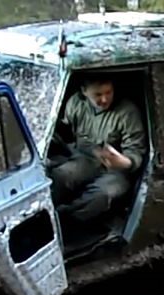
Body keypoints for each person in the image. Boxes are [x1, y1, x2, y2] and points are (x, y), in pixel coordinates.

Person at [47, 76, 148, 229]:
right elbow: (67, 132)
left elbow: (136, 151)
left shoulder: (128, 112)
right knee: (60, 176)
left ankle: (61, 222)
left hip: (116, 170)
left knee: (102, 195)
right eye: (98, 95)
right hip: (84, 158)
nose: (105, 99)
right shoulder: (75, 103)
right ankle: (42, 214)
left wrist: (123, 161)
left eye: (109, 92)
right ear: (84, 92)